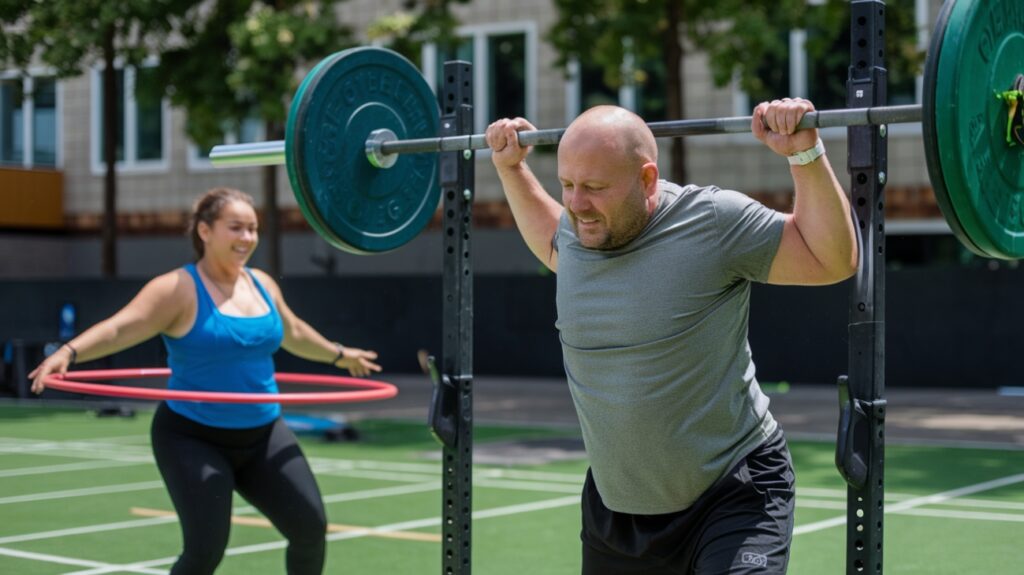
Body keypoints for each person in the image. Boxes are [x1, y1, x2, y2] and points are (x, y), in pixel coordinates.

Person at [485, 99, 857, 574]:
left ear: (645, 179)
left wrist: (803, 152)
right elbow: (551, 241)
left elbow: (831, 259)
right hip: (616, 513)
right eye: (568, 185)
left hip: (733, 494)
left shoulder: (712, 220)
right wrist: (510, 170)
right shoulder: (579, 233)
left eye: (595, 188)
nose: (577, 205)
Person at [29, 187, 383, 575]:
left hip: (264, 433)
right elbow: (119, 329)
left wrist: (339, 354)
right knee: (204, 553)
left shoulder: (262, 284)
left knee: (310, 529)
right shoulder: (177, 289)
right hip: (192, 437)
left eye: (253, 229)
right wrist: (68, 353)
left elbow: (294, 331)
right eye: (235, 227)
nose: (247, 238)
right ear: (204, 231)